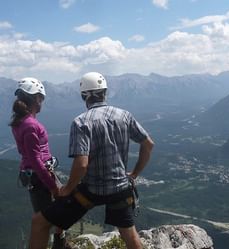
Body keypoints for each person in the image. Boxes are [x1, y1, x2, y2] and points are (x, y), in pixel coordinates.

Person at [29, 72, 154, 249]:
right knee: (129, 234)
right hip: (120, 189)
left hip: (90, 191)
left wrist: (67, 189)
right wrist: (134, 174)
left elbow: (82, 164)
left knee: (39, 222)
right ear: (105, 92)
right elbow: (148, 144)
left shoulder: (81, 122)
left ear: (83, 96)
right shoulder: (124, 115)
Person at [9, 77, 70, 249]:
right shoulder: (30, 125)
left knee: (59, 207)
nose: (42, 102)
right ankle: (58, 242)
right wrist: (52, 186)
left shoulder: (23, 122)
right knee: (44, 221)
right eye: (41, 98)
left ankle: (60, 241)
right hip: (39, 175)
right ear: (37, 99)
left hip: (37, 174)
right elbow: (36, 160)